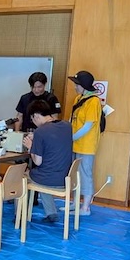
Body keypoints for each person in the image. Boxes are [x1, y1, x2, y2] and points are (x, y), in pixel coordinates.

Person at [22, 100, 73, 223]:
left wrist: (31, 147)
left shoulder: (40, 132)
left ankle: (20, 215)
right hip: (66, 178)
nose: (34, 123)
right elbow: (53, 141)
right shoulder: (67, 126)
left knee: (22, 176)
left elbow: (37, 161)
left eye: (32, 119)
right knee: (42, 173)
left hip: (48, 179)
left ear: (36, 116)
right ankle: (51, 213)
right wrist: (37, 140)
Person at [68, 70, 101, 216]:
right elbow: (72, 119)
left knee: (85, 174)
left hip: (86, 145)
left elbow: (88, 125)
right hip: (75, 144)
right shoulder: (78, 99)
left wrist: (72, 137)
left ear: (84, 85)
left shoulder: (93, 102)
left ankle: (86, 207)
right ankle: (75, 203)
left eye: (77, 84)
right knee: (75, 174)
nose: (75, 87)